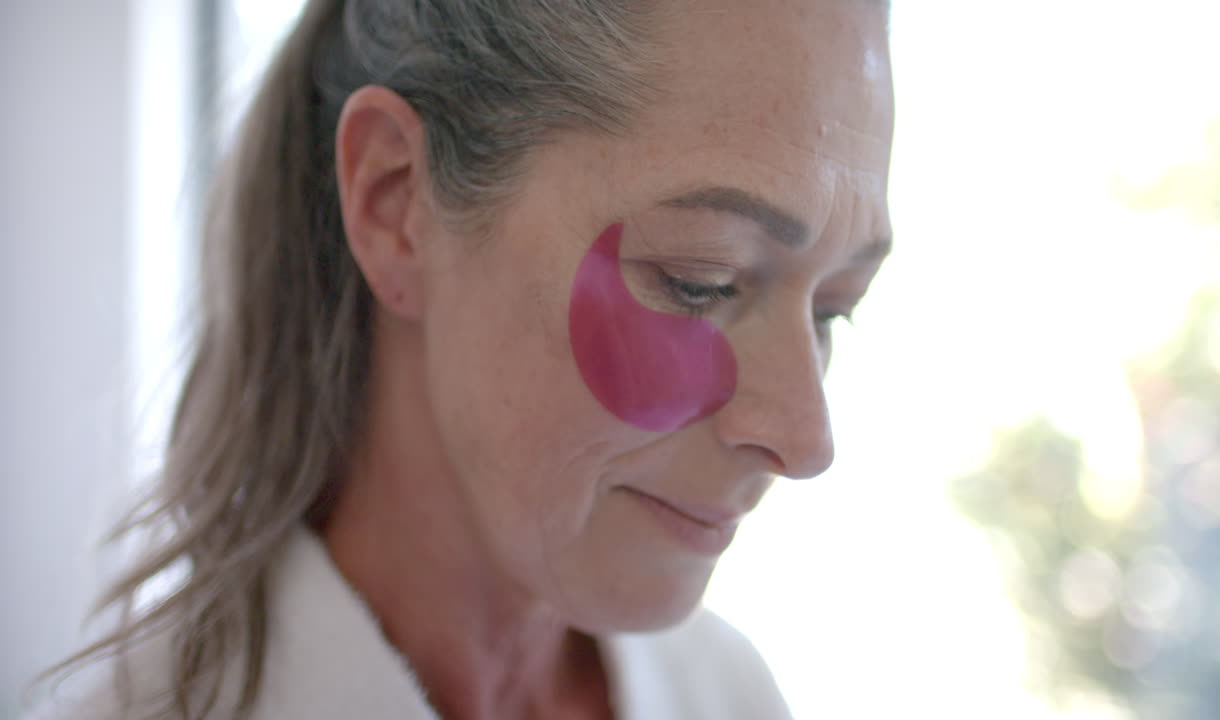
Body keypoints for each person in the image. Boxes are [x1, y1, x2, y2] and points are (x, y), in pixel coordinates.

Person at [29, 0, 894, 717]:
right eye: (698, 280)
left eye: (834, 309)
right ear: (395, 202)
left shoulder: (729, 696)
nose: (805, 438)